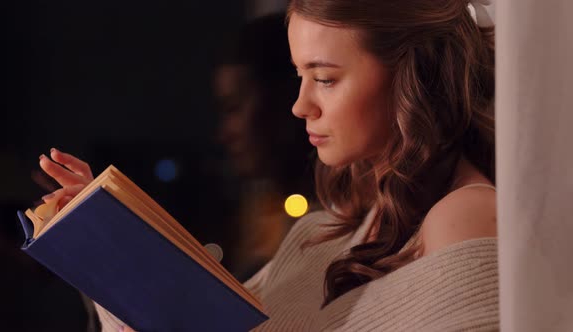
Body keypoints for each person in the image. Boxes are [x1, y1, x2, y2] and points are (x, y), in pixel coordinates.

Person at [38, 0, 498, 330]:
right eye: (300, 76)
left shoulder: (464, 216)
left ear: (413, 76)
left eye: (324, 79)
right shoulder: (332, 229)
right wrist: (114, 246)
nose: (300, 105)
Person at [213, 13, 316, 280]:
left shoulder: (343, 222)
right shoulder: (259, 215)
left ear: (282, 98)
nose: (224, 133)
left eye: (233, 108)